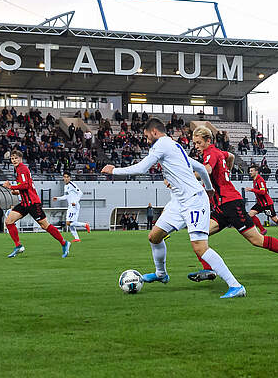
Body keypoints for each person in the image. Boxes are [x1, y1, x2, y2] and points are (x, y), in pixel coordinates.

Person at [103, 118, 245, 299]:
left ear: (154, 132)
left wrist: (114, 170)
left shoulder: (161, 145)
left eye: (147, 136)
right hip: (178, 202)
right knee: (154, 237)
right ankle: (161, 274)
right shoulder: (174, 146)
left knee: (200, 247)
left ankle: (236, 286)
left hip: (193, 201)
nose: (146, 140)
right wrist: (209, 188)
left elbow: (142, 168)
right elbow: (200, 168)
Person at [186, 123, 278, 282]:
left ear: (208, 141)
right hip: (221, 206)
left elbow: (207, 170)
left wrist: (185, 176)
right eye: (194, 143)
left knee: (257, 240)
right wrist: (226, 173)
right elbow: (230, 157)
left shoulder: (210, 153)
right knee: (198, 234)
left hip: (231, 204)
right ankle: (208, 270)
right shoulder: (218, 152)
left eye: (199, 143)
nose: (196, 146)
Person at [2, 149, 70, 258]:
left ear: (20, 159)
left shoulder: (22, 168)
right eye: (12, 158)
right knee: (9, 221)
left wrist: (11, 187)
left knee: (44, 226)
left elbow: (25, 185)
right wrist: (17, 191)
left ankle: (64, 243)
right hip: (25, 203)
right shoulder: (18, 169)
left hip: (32, 203)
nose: (14, 160)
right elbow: (27, 186)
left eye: (16, 158)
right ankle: (18, 246)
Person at [247, 165, 278, 239]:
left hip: (266, 204)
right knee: (250, 214)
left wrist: (252, 190)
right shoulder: (255, 180)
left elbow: (263, 192)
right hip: (260, 203)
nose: (250, 172)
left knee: (274, 219)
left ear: (256, 172)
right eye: (249, 171)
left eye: (251, 171)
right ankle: (262, 230)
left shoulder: (260, 180)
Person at [60, 173, 91, 241]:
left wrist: (75, 202)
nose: (66, 178)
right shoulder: (65, 186)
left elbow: (80, 193)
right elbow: (66, 196)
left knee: (68, 223)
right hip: (70, 206)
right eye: (65, 177)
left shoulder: (72, 185)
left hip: (74, 206)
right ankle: (77, 238)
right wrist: (57, 198)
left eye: (67, 177)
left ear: (70, 178)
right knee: (70, 224)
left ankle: (85, 225)